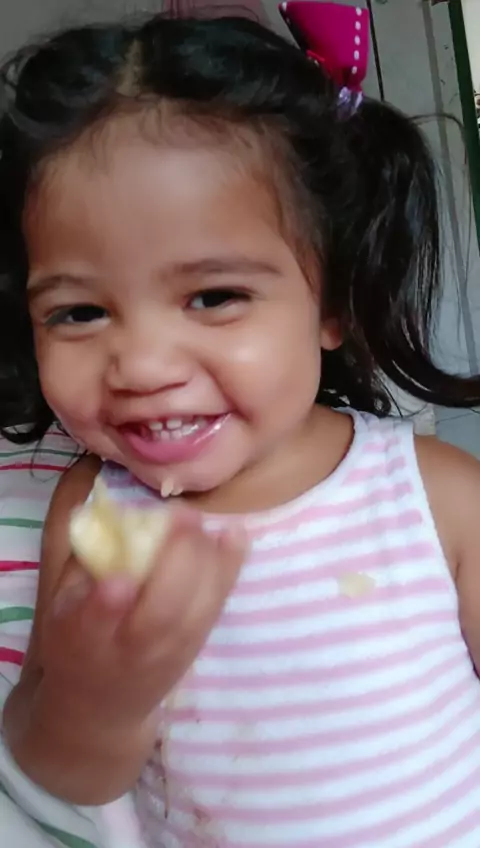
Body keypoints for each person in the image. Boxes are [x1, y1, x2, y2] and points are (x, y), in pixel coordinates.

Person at [1, 10, 480, 847]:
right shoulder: (95, 515)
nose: (143, 365)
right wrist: (93, 699)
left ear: (331, 302)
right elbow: (70, 774)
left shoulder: (434, 495)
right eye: (79, 312)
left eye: (214, 296)